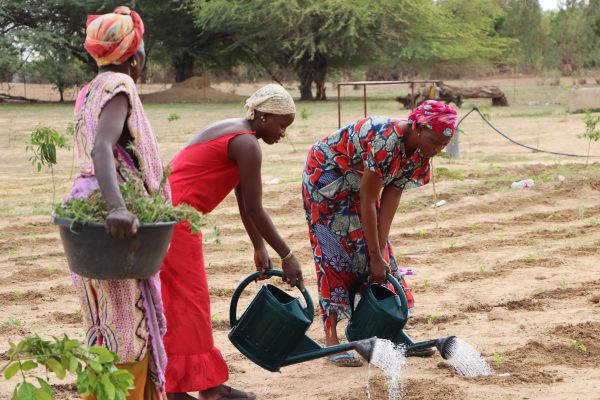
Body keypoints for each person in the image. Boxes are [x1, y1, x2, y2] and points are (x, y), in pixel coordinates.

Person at [160, 84, 304, 400]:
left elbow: (243, 199)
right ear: (263, 116)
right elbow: (255, 207)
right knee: (191, 305)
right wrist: (287, 254)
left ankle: (186, 387)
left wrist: (258, 245)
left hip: (166, 218)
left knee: (179, 305)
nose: (282, 133)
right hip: (176, 223)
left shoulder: (237, 133)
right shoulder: (247, 144)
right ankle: (202, 390)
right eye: (281, 125)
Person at [302, 100, 457, 366]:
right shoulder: (387, 140)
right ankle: (332, 341)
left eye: (444, 145)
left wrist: (380, 251)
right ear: (418, 128)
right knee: (335, 256)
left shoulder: (421, 152)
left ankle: (390, 333)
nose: (438, 149)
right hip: (328, 177)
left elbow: (391, 196)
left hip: (361, 182)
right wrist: (374, 255)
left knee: (379, 256)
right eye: (434, 141)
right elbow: (367, 200)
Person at [66, 6, 168, 399]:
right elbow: (102, 147)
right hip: (111, 223)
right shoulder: (118, 87)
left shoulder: (89, 90)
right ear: (134, 56)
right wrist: (117, 207)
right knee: (129, 331)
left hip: (86, 224)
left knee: (103, 325)